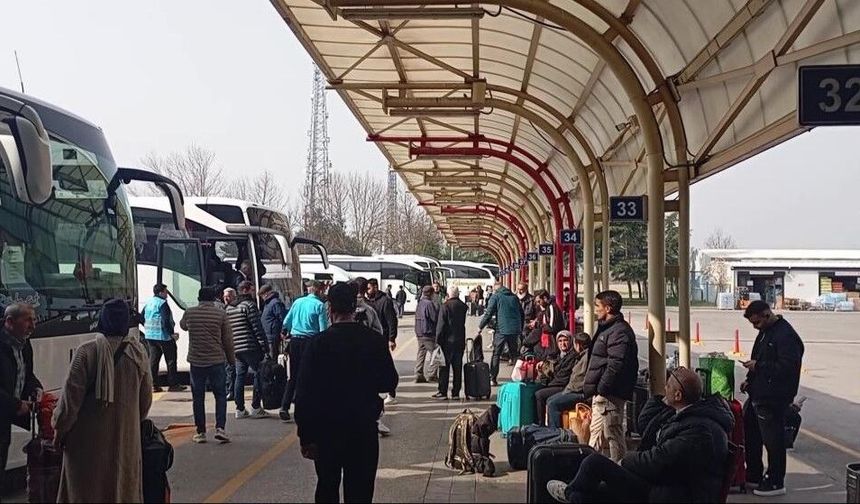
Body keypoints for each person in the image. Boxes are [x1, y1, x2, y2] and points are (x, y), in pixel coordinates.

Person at [547, 367, 733, 504]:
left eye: (667, 387)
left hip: (673, 494)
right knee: (595, 491)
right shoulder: (686, 415)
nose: (664, 389)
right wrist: (660, 400)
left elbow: (658, 460)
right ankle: (574, 496)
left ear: (678, 395)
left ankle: (570, 495)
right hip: (666, 485)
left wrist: (625, 461)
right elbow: (644, 425)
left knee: (595, 464)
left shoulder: (699, 430)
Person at [295, 282, 399, 503]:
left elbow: (303, 394)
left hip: (326, 432)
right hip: (362, 429)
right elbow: (389, 381)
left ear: (330, 309)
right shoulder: (373, 340)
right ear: (355, 308)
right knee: (360, 491)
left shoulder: (317, 344)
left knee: (327, 486)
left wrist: (306, 436)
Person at [52, 299, 153, 502]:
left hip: (86, 445)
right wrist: (129, 422)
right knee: (121, 491)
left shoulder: (87, 352)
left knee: (86, 493)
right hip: (126, 442)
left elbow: (69, 404)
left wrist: (59, 430)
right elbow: (145, 402)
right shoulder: (138, 353)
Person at [741, 300, 805, 497]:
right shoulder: (765, 333)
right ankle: (754, 473)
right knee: (750, 432)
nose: (755, 327)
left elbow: (787, 368)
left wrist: (759, 367)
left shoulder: (786, 336)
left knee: (773, 440)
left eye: (757, 322)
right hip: (758, 394)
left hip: (773, 397)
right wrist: (749, 380)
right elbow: (759, 357)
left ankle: (776, 480)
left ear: (767, 315)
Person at [583, 290, 638, 462]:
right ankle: (590, 468)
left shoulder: (618, 332)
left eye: (598, 306)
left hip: (610, 393)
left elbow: (616, 364)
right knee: (597, 432)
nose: (595, 310)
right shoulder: (608, 328)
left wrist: (602, 388)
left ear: (607, 308)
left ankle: (618, 469)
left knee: (612, 433)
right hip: (603, 393)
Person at [181, 287, 235, 444]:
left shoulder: (190, 312)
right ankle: (220, 429)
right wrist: (231, 360)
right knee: (220, 395)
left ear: (198, 298)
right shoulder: (221, 314)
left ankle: (201, 432)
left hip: (196, 361)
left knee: (198, 397)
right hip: (216, 360)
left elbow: (183, 325)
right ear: (214, 299)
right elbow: (228, 340)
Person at [0, 303, 42, 493]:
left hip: (4, 421)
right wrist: (17, 405)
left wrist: (36, 389)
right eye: (28, 320)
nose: (33, 325)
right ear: (9, 322)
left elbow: (27, 375)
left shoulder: (24, 345)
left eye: (34, 319)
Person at [280, 280, 330, 422]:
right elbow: (323, 330)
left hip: (295, 342)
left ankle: (284, 406)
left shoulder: (297, 302)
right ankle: (307, 408)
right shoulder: (319, 306)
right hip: (311, 342)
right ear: (319, 291)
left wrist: (286, 332)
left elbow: (286, 322)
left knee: (294, 376)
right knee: (311, 376)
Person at [226, 281, 270, 419]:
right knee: (258, 373)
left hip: (236, 348)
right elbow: (257, 327)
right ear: (245, 290)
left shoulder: (229, 308)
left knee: (239, 376)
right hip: (250, 346)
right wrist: (264, 346)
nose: (253, 291)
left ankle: (239, 408)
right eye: (251, 289)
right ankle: (256, 407)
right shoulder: (249, 306)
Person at [477, 281, 524, 387]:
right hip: (515, 329)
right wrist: (520, 327)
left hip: (501, 330)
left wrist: (480, 326)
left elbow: (489, 313)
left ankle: (493, 378)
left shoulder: (496, 297)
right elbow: (521, 313)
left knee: (496, 354)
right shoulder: (514, 297)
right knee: (514, 354)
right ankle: (518, 377)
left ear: (496, 289)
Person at [141, 283, 185, 392]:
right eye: (166, 292)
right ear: (161, 292)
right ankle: (173, 384)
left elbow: (141, 317)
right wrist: (171, 334)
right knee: (171, 360)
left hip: (150, 336)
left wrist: (148, 328)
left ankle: (153, 385)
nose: (167, 295)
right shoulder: (162, 304)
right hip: (163, 336)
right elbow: (166, 321)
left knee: (153, 360)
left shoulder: (148, 303)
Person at [545, 332, 591, 429]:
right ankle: (552, 430)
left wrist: (567, 391)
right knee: (550, 400)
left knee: (553, 404)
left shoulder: (585, 358)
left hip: (580, 393)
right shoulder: (581, 356)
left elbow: (579, 381)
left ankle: (556, 433)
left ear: (578, 345)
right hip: (573, 389)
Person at [534, 331, 579, 425]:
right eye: (560, 341)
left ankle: (540, 424)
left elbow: (563, 378)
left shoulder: (572, 356)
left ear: (570, 341)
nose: (563, 343)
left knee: (540, 394)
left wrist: (547, 384)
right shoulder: (559, 355)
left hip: (564, 386)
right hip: (557, 384)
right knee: (536, 388)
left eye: (565, 340)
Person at [366, 278, 399, 405]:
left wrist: (392, 338)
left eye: (369, 288)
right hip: (370, 338)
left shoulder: (385, 301)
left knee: (385, 364)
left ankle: (391, 393)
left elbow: (392, 321)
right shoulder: (367, 301)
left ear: (375, 287)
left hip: (382, 339)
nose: (367, 291)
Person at [433, 285, 468, 400]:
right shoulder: (463, 306)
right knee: (457, 368)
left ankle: (443, 392)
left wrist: (438, 340)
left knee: (444, 367)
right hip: (459, 341)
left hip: (447, 342)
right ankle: (456, 393)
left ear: (449, 294)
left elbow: (441, 325)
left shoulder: (445, 306)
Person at [523, 289, 565, 361]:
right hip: (547, 344)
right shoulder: (546, 309)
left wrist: (538, 325)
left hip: (551, 344)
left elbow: (552, 327)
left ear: (545, 298)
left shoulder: (552, 307)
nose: (538, 304)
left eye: (539, 301)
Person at [414, 286, 440, 383]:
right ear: (431, 293)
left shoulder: (420, 303)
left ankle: (418, 373)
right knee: (436, 354)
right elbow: (434, 318)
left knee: (421, 352)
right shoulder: (429, 304)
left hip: (419, 332)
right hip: (427, 332)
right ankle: (432, 374)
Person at [260, 284, 290, 360]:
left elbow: (283, 318)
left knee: (273, 357)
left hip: (272, 335)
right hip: (269, 335)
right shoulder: (268, 303)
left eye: (262, 295)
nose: (262, 298)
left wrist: (283, 331)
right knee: (270, 356)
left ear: (266, 294)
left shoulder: (275, 303)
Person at [222, 287, 238, 400]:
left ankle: (231, 391)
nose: (226, 298)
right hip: (225, 343)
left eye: (228, 296)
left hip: (234, 342)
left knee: (231, 368)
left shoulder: (236, 308)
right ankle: (229, 390)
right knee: (228, 368)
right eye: (224, 296)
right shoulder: (223, 309)